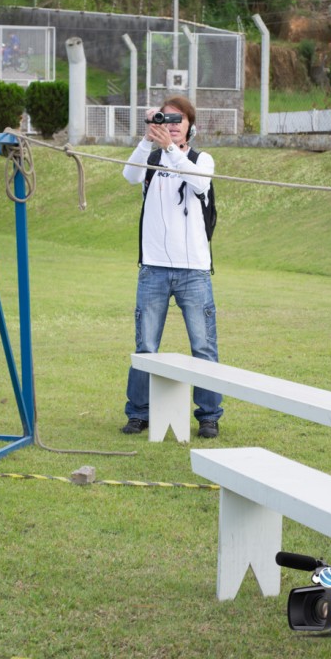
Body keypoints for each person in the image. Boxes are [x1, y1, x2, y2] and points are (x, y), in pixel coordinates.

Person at [121, 95, 223, 438]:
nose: (172, 126)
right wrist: (147, 139)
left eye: (179, 120)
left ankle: (209, 416)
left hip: (194, 271)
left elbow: (200, 183)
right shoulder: (152, 158)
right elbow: (130, 176)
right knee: (146, 347)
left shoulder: (200, 159)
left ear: (191, 125)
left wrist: (170, 148)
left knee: (203, 346)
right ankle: (139, 412)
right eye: (166, 119)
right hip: (153, 268)